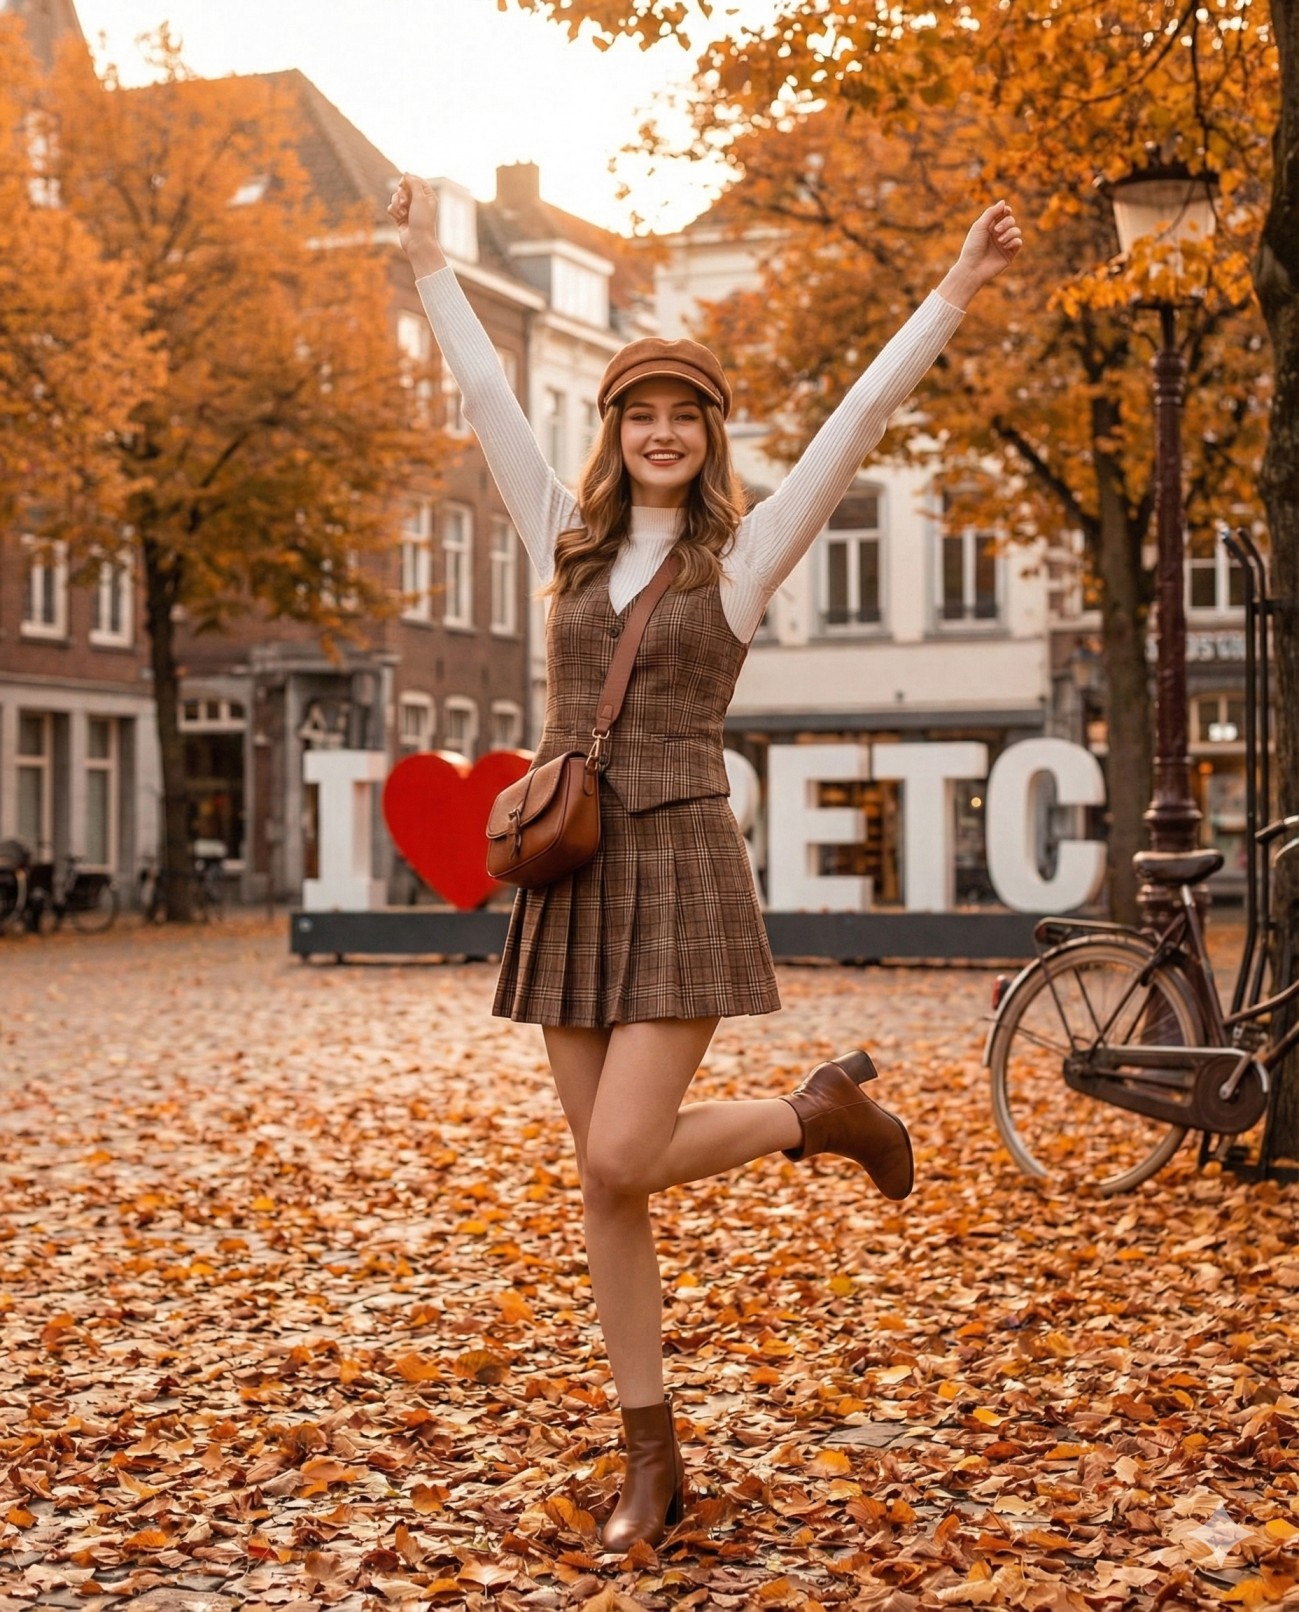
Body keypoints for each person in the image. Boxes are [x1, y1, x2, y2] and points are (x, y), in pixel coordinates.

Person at [389, 174, 1021, 1553]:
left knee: (626, 1150)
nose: (663, 431)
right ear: (615, 432)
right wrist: (435, 266)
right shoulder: (562, 535)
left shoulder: (741, 559)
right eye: (641, 412)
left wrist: (955, 293)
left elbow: (857, 426)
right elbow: (495, 394)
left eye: (686, 414)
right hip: (566, 872)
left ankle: (816, 1117)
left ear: (708, 437)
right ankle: (651, 1458)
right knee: (606, 1182)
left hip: (676, 861)